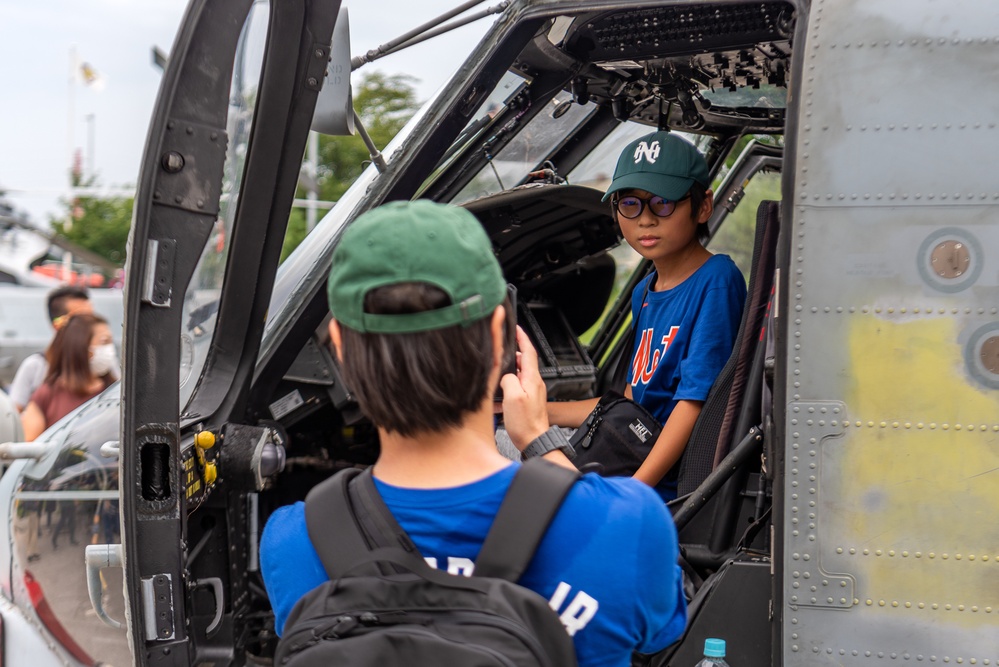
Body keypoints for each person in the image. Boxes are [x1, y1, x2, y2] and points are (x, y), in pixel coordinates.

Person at [260, 200, 687, 667]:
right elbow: (659, 633)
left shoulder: (294, 541)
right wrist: (541, 443)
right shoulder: (626, 526)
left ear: (339, 347)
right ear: (501, 332)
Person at [548, 131, 747, 501]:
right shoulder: (644, 292)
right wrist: (540, 411)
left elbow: (692, 403)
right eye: (630, 204)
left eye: (663, 202)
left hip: (663, 485)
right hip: (629, 455)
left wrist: (633, 493)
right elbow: (629, 405)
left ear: (703, 206)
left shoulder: (716, 280)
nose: (645, 220)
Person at [20, 313, 117, 441]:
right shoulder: (46, 395)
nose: (110, 349)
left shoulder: (115, 393)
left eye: (111, 342)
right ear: (82, 347)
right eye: (104, 342)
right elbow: (28, 448)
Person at [8, 286, 94, 411]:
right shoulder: (35, 367)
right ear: (58, 325)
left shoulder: (102, 363)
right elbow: (14, 414)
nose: (91, 325)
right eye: (81, 319)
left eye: (93, 318)